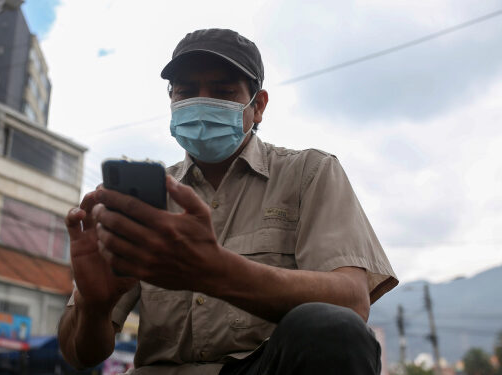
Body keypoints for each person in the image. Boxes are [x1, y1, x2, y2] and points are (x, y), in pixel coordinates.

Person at [58, 28, 398, 375]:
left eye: (223, 92)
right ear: (172, 102)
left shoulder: (308, 174)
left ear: (259, 105)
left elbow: (351, 304)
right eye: (187, 92)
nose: (202, 103)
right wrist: (95, 307)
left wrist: (216, 271)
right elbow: (80, 354)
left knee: (332, 328)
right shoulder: (142, 200)